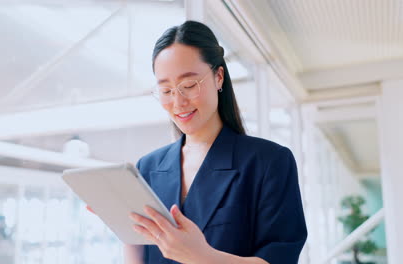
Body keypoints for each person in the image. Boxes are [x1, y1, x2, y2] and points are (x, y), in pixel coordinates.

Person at [88, 20, 307, 264]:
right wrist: (124, 226)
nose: (178, 102)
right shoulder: (147, 167)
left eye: (189, 85)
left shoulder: (269, 162)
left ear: (219, 77)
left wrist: (202, 257)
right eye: (167, 90)